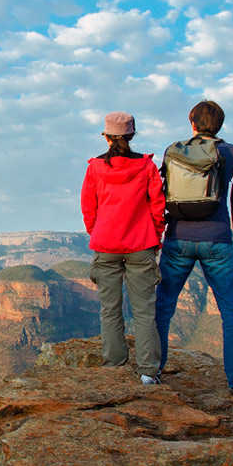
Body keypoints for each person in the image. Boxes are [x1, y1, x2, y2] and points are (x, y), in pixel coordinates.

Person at [154, 100, 233, 396]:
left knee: (163, 308)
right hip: (216, 240)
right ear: (220, 125)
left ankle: (153, 371)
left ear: (193, 123)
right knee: (229, 310)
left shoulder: (174, 150)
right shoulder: (230, 151)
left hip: (178, 238)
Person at [80, 111, 165, 385]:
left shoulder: (95, 168)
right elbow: (158, 205)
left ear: (106, 137)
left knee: (110, 310)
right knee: (144, 311)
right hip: (141, 245)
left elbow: (88, 208)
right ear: (132, 136)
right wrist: (156, 236)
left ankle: (114, 367)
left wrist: (98, 233)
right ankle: (148, 372)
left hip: (106, 246)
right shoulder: (146, 166)